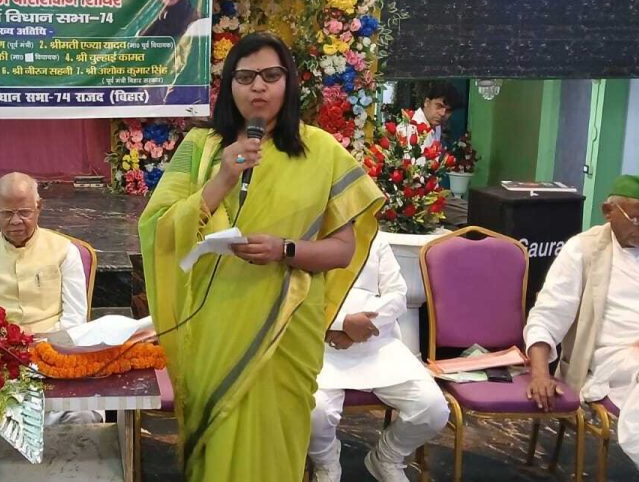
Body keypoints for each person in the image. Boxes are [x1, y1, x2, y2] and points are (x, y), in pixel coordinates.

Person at [139, 32, 384, 481]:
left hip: (288, 323)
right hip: (214, 321)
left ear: (288, 82)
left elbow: (343, 248)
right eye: (246, 76)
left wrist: (284, 249)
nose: (258, 86)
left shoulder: (321, 151)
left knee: (276, 440)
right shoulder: (201, 147)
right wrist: (223, 178)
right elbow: (158, 229)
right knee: (217, 434)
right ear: (229, 85)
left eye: (271, 75)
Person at [524, 175, 639, 482]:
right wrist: (540, 374)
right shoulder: (583, 250)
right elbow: (547, 315)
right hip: (623, 356)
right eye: (638, 220)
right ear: (608, 211)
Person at [0, 172, 99, 428]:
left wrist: (37, 343)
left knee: (83, 419)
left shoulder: (65, 251)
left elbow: (75, 320)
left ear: (39, 207)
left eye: (24, 212)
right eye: (7, 213)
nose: (16, 221)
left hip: (55, 358)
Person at [308, 232, 448, 482]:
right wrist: (340, 324)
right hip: (321, 345)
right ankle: (326, 464)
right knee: (314, 411)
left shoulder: (374, 237)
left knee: (432, 407)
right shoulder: (310, 234)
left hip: (377, 344)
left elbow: (397, 295)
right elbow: (298, 295)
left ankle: (387, 457)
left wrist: (355, 331)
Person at [397, 81, 458, 148]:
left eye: (448, 111)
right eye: (439, 106)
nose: (443, 114)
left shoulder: (437, 126)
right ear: (427, 102)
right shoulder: (408, 129)